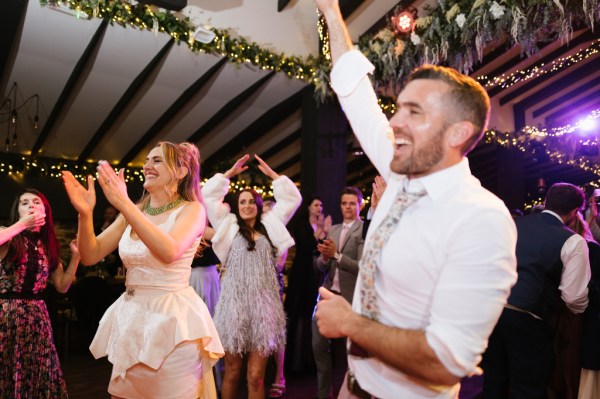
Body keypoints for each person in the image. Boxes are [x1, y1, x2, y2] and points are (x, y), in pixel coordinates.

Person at [313, 1, 518, 398]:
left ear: (458, 134)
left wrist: (351, 324)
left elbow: (447, 360)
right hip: (352, 388)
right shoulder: (398, 171)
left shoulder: (480, 218)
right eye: (398, 108)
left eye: (413, 112)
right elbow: (355, 93)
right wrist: (330, 11)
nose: (393, 122)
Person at [62, 141, 224, 399]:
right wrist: (85, 214)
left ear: (180, 172)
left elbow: (169, 251)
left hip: (173, 325)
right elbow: (91, 255)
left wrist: (123, 203)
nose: (147, 166)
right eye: (147, 160)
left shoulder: (192, 210)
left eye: (157, 160)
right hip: (132, 322)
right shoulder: (134, 211)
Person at [202, 154, 301, 399]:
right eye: (242, 201)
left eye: (251, 202)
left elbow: (292, 198)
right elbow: (208, 196)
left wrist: (274, 177)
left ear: (258, 205)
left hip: (264, 309)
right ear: (237, 205)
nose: (247, 205)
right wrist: (227, 176)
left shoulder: (272, 224)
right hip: (233, 308)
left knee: (256, 377)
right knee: (233, 372)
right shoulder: (227, 225)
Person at [482, 183, 590, 399]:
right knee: (529, 388)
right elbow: (573, 296)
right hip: (527, 318)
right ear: (574, 212)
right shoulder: (573, 241)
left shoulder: (512, 224)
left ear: (546, 202)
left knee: (494, 382)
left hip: (490, 310)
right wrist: (580, 311)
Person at [0, 188, 81, 398]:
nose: (30, 206)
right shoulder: (9, 236)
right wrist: (21, 225)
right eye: (24, 203)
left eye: (35, 202)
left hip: (37, 319)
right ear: (17, 210)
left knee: (37, 372)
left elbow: (62, 286)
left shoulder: (48, 245)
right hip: (7, 316)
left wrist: (76, 257)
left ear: (45, 210)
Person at [313, 186, 364, 399]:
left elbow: (363, 266)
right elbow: (319, 266)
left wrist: (337, 255)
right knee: (318, 347)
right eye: (344, 203)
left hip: (350, 299)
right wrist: (325, 258)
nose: (348, 207)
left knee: (350, 355)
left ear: (360, 205)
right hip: (327, 295)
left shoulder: (364, 230)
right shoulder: (332, 229)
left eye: (352, 203)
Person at [284, 194, 331, 374]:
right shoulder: (301, 224)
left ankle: (312, 361)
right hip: (302, 272)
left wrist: (324, 233)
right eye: (316, 205)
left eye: (321, 205)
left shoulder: (322, 227)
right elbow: (308, 246)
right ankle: (295, 362)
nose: (319, 208)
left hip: (317, 272)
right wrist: (320, 231)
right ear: (309, 207)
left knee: (313, 313)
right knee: (299, 313)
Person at [262, 198, 289, 398]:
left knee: (276, 332)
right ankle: (258, 375)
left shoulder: (281, 237)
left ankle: (279, 376)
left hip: (271, 286)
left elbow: (279, 265)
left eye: (267, 212)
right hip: (254, 288)